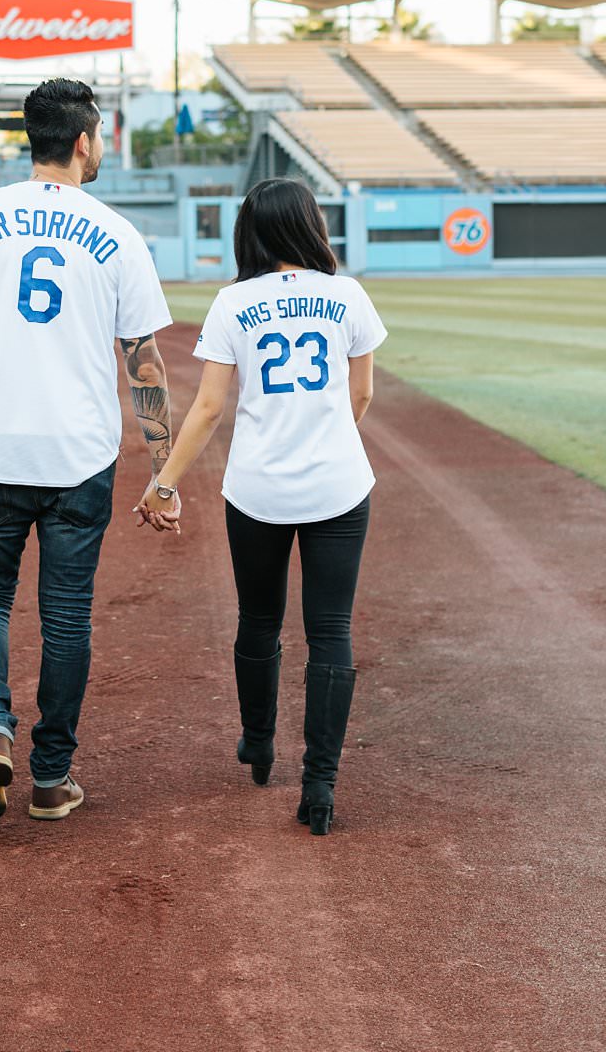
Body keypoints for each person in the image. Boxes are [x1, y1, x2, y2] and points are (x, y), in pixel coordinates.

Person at [0, 78, 175, 822]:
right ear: (84, 140)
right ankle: (51, 776)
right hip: (80, 452)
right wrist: (164, 472)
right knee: (66, 617)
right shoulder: (119, 233)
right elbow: (145, 364)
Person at [136, 178, 384, 836]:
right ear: (310, 226)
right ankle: (321, 782)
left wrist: (165, 481)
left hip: (257, 488)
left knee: (259, 619)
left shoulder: (233, 302)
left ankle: (259, 742)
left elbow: (211, 407)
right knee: (330, 630)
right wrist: (324, 439)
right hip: (338, 485)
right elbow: (359, 396)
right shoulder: (347, 295)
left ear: (250, 232)